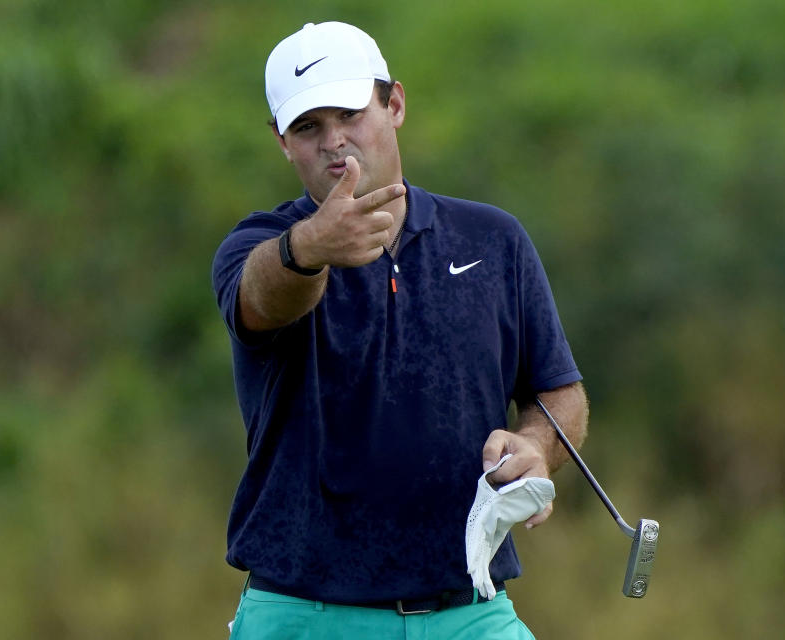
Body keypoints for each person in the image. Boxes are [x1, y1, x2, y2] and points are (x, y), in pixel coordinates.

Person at [212, 21, 589, 640]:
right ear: (283, 141)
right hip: (305, 616)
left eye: (350, 115)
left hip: (472, 611)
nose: (335, 142)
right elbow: (262, 298)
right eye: (309, 126)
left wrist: (538, 445)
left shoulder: (493, 240)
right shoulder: (260, 247)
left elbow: (556, 390)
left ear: (395, 105)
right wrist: (311, 249)